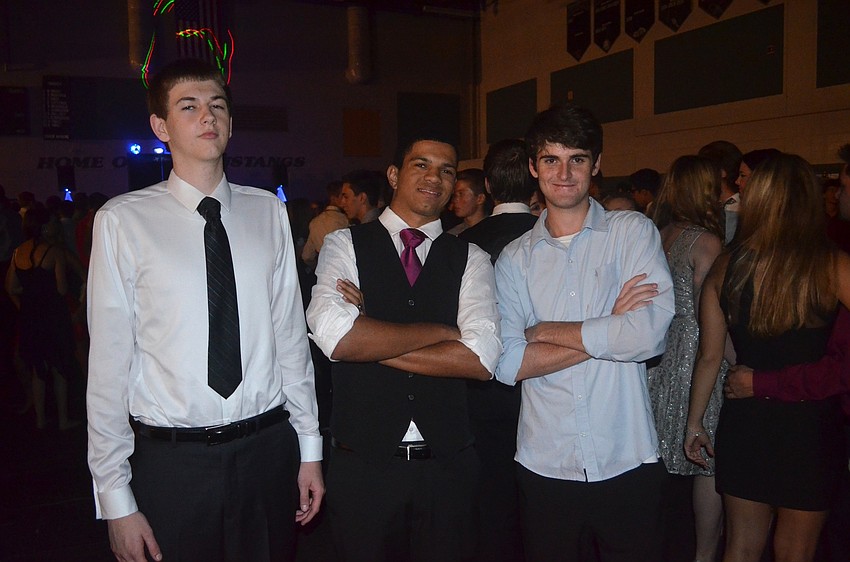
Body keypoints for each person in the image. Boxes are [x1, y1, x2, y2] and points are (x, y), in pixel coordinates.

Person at [86, 59, 323, 562]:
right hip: (173, 463)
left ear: (232, 123)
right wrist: (115, 500)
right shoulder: (123, 221)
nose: (207, 117)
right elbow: (108, 366)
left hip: (266, 450)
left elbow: (291, 341)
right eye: (188, 107)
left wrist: (309, 450)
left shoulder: (267, 212)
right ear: (160, 126)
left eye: (217, 106)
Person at [306, 136, 501, 562]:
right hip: (364, 469)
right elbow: (335, 336)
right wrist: (445, 332)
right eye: (421, 165)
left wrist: (367, 337)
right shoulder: (344, 244)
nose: (435, 177)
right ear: (394, 175)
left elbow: (482, 359)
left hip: (448, 471)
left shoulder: (472, 257)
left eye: (447, 170)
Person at [495, 103, 675, 562]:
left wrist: (546, 331)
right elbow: (509, 363)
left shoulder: (631, 232)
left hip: (627, 457)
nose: (564, 173)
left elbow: (648, 336)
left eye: (577, 158)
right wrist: (611, 327)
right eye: (551, 159)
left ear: (596, 164)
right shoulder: (515, 258)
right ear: (534, 167)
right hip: (544, 464)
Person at [685, 153, 849, 562]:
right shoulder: (831, 263)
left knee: (739, 547)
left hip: (747, 418)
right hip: (810, 423)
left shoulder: (726, 265)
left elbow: (709, 356)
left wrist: (694, 424)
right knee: (796, 551)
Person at [458, 138, 538, 562]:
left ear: (487, 185)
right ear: (536, 181)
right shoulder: (551, 240)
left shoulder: (459, 245)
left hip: (482, 392)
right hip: (545, 384)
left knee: (491, 500)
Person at [646, 155, 727, 562]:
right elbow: (709, 313)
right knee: (708, 463)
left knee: (660, 463)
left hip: (660, 358)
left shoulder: (659, 233)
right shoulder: (706, 242)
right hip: (697, 359)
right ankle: (704, 555)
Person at [5, 206, 78, 430]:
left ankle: (39, 419)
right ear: (45, 227)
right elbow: (62, 288)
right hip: (53, 316)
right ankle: (63, 420)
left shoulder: (18, 252)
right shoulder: (53, 251)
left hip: (31, 317)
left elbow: (11, 287)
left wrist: (24, 306)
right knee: (59, 367)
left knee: (38, 368)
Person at [699, 140, 742, 244]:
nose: (700, 176)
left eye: (705, 170)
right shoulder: (703, 207)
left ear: (722, 172)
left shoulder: (744, 207)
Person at [302, 180, 349, 270]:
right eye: (343, 196)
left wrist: (318, 266)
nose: (344, 201)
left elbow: (307, 256)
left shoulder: (315, 222)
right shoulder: (344, 219)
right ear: (333, 198)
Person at [447, 168, 491, 235]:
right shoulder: (452, 235)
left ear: (480, 199)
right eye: (455, 195)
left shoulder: (493, 231)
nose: (455, 199)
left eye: (461, 194)